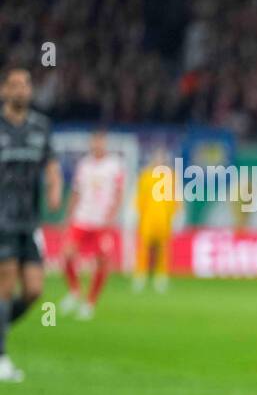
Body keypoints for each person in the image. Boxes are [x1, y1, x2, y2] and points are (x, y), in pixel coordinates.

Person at [0, 65, 62, 382]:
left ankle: (1, 325)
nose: (21, 90)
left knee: (35, 289)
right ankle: (1, 358)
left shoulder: (41, 126)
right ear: (3, 91)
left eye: (26, 84)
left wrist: (54, 188)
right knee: (5, 285)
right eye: (15, 85)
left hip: (30, 221)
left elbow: (51, 164)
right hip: (2, 220)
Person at [60, 130, 125, 319]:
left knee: (103, 261)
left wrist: (112, 215)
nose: (97, 145)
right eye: (94, 142)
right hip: (82, 217)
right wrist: (68, 215)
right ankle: (74, 291)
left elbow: (119, 193)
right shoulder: (84, 165)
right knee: (66, 254)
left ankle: (90, 303)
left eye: (100, 142)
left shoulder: (114, 166)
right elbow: (76, 192)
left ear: (105, 144)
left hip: (101, 221)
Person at [133, 146, 183, 292]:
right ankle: (140, 276)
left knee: (163, 250)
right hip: (147, 218)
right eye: (157, 157)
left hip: (165, 218)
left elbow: (177, 196)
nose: (159, 160)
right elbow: (140, 197)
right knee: (144, 248)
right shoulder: (146, 176)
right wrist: (135, 213)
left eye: (162, 158)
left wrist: (178, 215)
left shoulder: (171, 176)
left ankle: (161, 277)